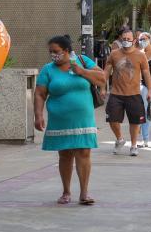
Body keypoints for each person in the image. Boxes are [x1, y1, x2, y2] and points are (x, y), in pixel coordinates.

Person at [34, 35, 105, 205]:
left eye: (56, 52)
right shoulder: (47, 70)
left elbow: (102, 78)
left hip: (83, 118)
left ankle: (84, 193)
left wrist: (82, 71)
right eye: (50, 52)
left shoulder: (83, 61)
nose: (53, 55)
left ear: (66, 51)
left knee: (84, 152)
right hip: (60, 119)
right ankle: (66, 192)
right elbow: (40, 93)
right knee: (65, 154)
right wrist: (38, 115)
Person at [103, 29, 151, 157]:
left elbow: (146, 73)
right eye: (123, 39)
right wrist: (102, 88)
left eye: (128, 39)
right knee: (112, 119)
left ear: (134, 40)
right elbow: (106, 71)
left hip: (134, 94)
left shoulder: (140, 55)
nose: (126, 41)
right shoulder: (114, 54)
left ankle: (134, 145)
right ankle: (120, 139)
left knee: (135, 122)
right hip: (116, 93)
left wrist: (150, 91)